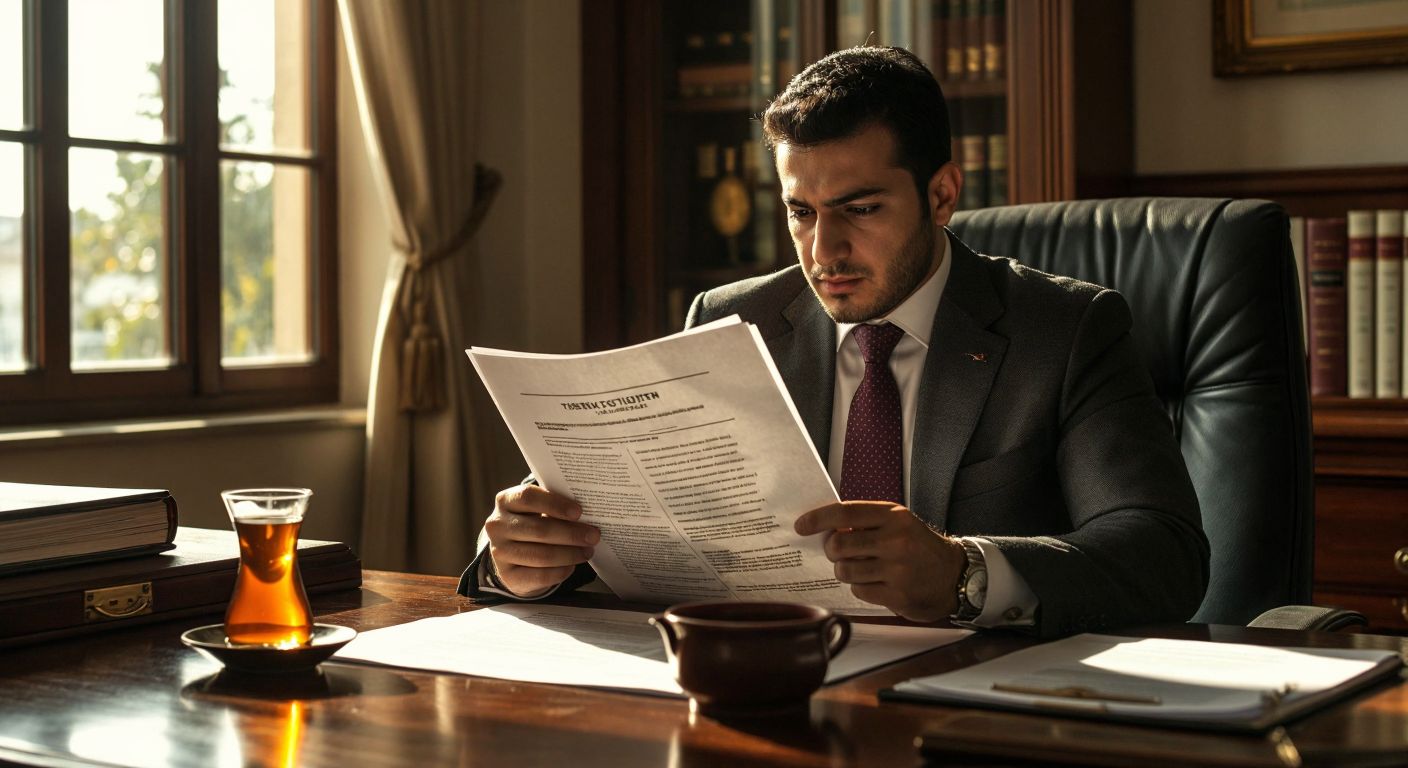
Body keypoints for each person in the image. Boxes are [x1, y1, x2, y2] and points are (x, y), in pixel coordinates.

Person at [458, 46, 1208, 638]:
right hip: (773, 683)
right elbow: (645, 546)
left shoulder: (1067, 330)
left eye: (859, 208)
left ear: (943, 193)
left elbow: (1161, 553)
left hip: (975, 704)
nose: (825, 251)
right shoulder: (733, 321)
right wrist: (525, 563)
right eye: (801, 213)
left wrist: (963, 573)